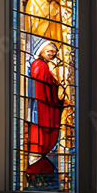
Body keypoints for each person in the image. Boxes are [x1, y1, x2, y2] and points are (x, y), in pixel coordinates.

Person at [26, 39, 65, 175]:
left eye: (53, 52)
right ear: (41, 51)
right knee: (42, 133)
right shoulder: (39, 65)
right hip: (43, 105)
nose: (51, 54)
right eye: (48, 51)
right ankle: (36, 168)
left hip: (46, 105)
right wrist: (57, 88)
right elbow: (45, 85)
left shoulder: (44, 65)